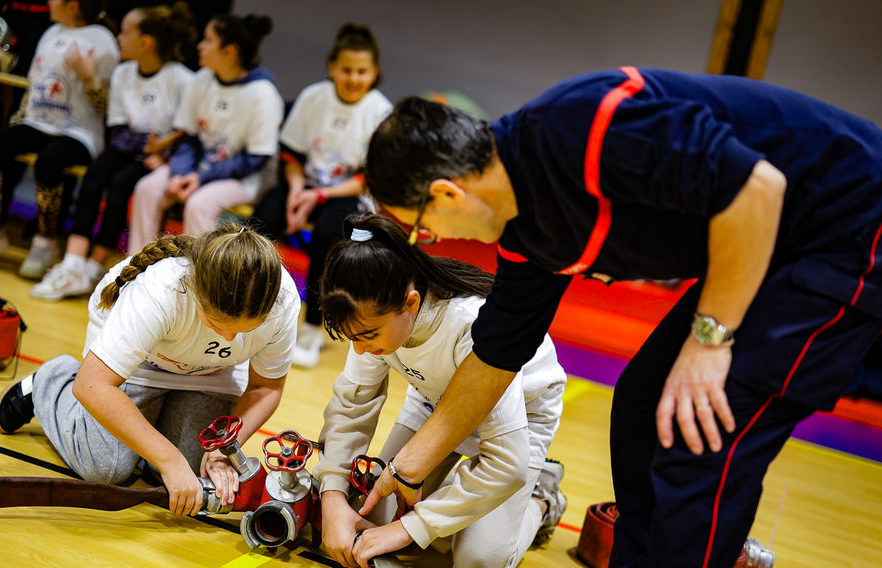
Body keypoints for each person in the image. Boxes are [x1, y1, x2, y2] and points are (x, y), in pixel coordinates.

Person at [359, 68, 882, 568]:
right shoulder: (526, 232)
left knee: (701, 433)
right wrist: (408, 469)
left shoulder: (586, 128)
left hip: (847, 226)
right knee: (642, 406)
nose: (431, 242)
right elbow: (496, 353)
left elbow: (757, 189)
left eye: (420, 229)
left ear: (447, 193)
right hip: (768, 244)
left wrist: (708, 341)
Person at [0, 224, 301, 516]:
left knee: (196, 471)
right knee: (106, 467)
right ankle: (52, 379)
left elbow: (265, 388)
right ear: (197, 293)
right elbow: (93, 385)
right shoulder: (161, 290)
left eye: (244, 330)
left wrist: (224, 450)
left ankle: (153, 430)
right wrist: (168, 458)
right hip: (137, 368)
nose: (229, 339)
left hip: (211, 374)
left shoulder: (281, 299)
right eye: (215, 325)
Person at [314, 213, 567, 568]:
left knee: (478, 560)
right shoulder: (372, 319)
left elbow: (506, 464)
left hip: (522, 416)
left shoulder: (469, 326)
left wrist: (412, 527)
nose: (359, 349)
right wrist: (333, 496)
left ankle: (541, 499)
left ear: (411, 303)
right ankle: (453, 496)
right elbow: (351, 405)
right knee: (372, 514)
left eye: (367, 336)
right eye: (351, 337)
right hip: (434, 402)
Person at [30, 4, 196, 301]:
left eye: (125, 32)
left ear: (145, 42)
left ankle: (95, 266)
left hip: (160, 161)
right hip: (128, 147)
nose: (118, 38)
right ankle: (73, 263)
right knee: (94, 176)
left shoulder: (182, 79)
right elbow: (118, 130)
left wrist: (162, 152)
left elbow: (186, 132)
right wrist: (150, 143)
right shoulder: (123, 73)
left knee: (120, 186)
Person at [251, 23, 391, 369]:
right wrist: (297, 190)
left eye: (362, 71)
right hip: (305, 185)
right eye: (347, 70)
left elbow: (369, 177)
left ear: (374, 73)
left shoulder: (380, 111)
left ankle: (312, 327)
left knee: (330, 235)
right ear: (332, 67)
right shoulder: (314, 96)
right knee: (261, 220)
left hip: (348, 194)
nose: (354, 78)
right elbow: (293, 155)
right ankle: (248, 304)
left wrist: (319, 195)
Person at [0, 0, 119, 280]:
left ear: (73, 5)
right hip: (38, 122)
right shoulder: (51, 32)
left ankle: (45, 241)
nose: (49, 2)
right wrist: (15, 123)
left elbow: (108, 105)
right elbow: (33, 86)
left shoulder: (102, 40)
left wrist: (90, 76)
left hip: (78, 132)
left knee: (50, 161)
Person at [127, 13, 282, 254]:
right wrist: (180, 173)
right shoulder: (201, 79)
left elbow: (254, 159)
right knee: (147, 189)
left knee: (199, 204)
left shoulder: (263, 93)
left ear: (228, 51)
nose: (200, 46)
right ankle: (139, 265)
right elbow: (188, 138)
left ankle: (198, 275)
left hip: (245, 178)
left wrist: (200, 178)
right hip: (199, 169)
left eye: (208, 40)